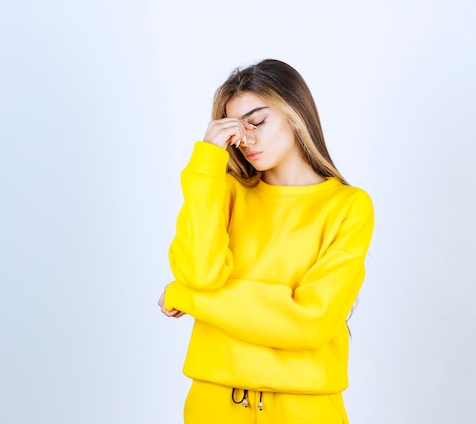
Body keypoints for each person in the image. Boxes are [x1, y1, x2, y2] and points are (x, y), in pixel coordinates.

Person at [158, 58, 374, 424]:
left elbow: (307, 321)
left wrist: (187, 298)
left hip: (306, 409)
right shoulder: (222, 192)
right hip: (212, 404)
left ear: (295, 112)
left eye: (257, 121)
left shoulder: (348, 207)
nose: (246, 138)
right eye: (235, 129)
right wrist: (208, 161)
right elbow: (199, 273)